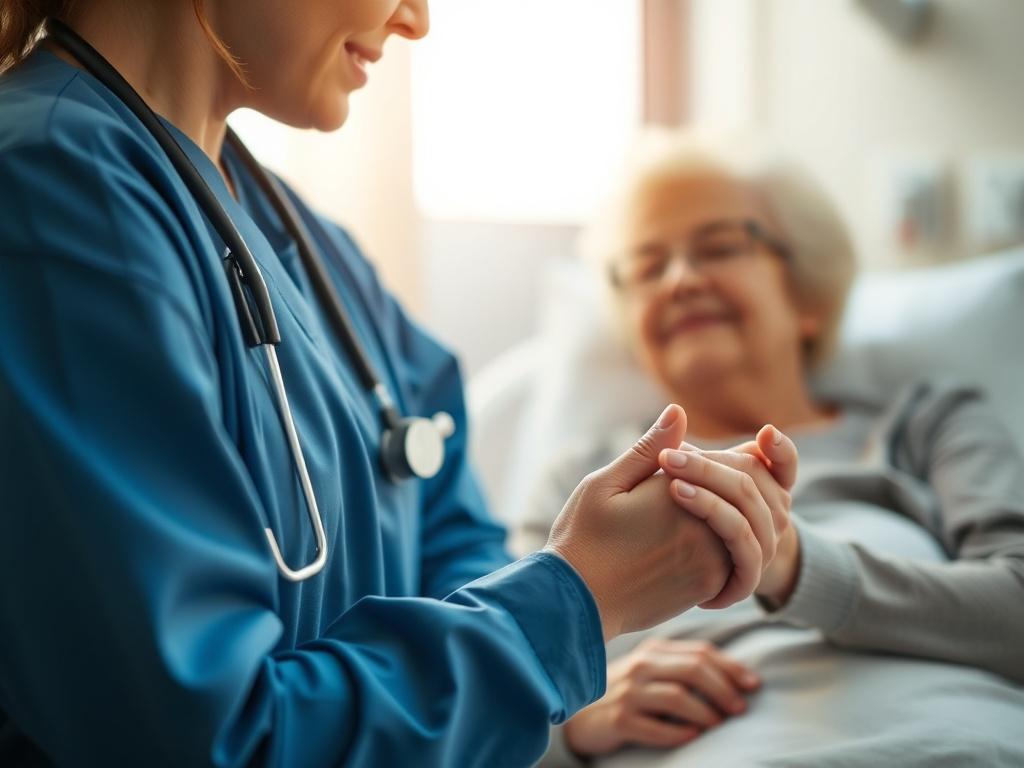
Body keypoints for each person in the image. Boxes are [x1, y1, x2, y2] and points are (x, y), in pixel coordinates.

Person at [0, 4, 798, 766]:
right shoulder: (48, 193)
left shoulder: (317, 253)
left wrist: (560, 644)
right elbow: (208, 741)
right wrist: (579, 598)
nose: (416, 19)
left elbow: (451, 535)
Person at [514, 131, 1024, 765]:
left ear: (805, 296)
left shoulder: (928, 425)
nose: (679, 281)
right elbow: (499, 679)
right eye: (647, 267)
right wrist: (578, 725)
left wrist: (795, 563)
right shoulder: (586, 480)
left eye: (719, 247)